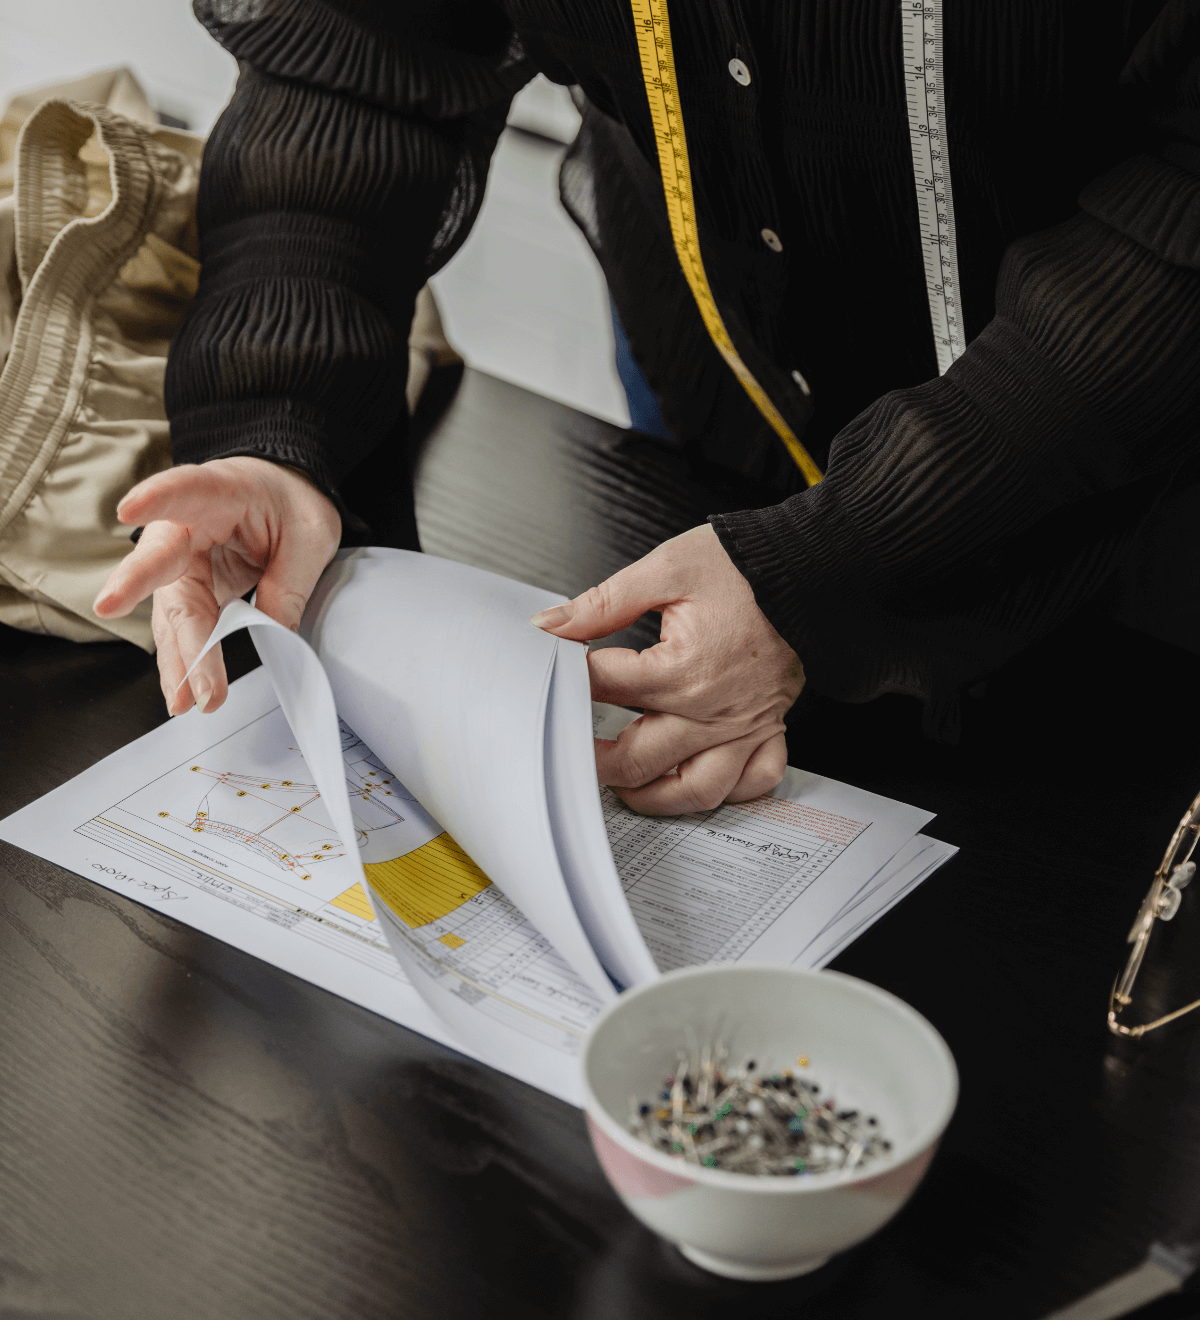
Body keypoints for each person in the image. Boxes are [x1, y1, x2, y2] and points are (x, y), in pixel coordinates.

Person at [96, 1, 1200, 816]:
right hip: (728, 379)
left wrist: (854, 556)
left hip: (1138, 452)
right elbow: (364, 50)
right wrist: (278, 408)